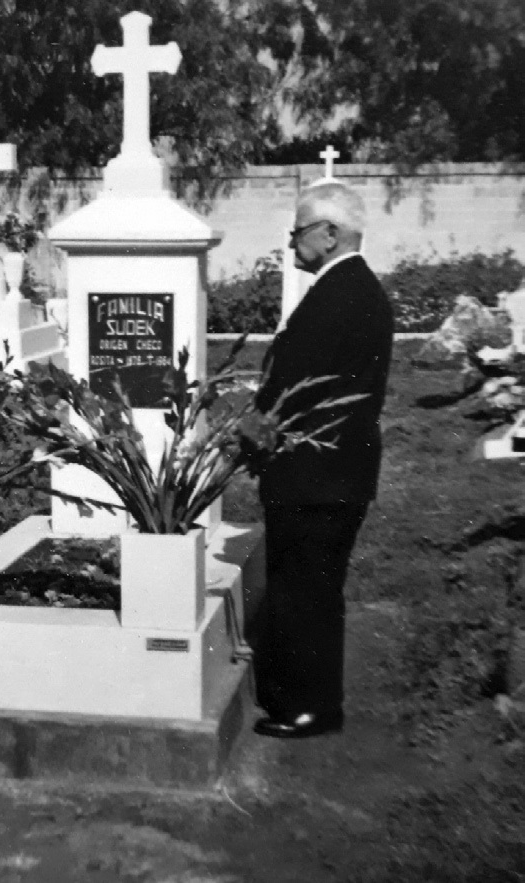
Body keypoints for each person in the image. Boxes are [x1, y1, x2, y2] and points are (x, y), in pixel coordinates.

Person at [252, 180, 394, 739]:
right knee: (313, 589)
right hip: (333, 471)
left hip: (318, 474)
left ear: (329, 234)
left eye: (298, 233)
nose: (291, 245)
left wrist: (257, 429)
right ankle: (314, 700)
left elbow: (302, 388)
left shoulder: (342, 296)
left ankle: (305, 707)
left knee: (304, 591)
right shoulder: (353, 289)